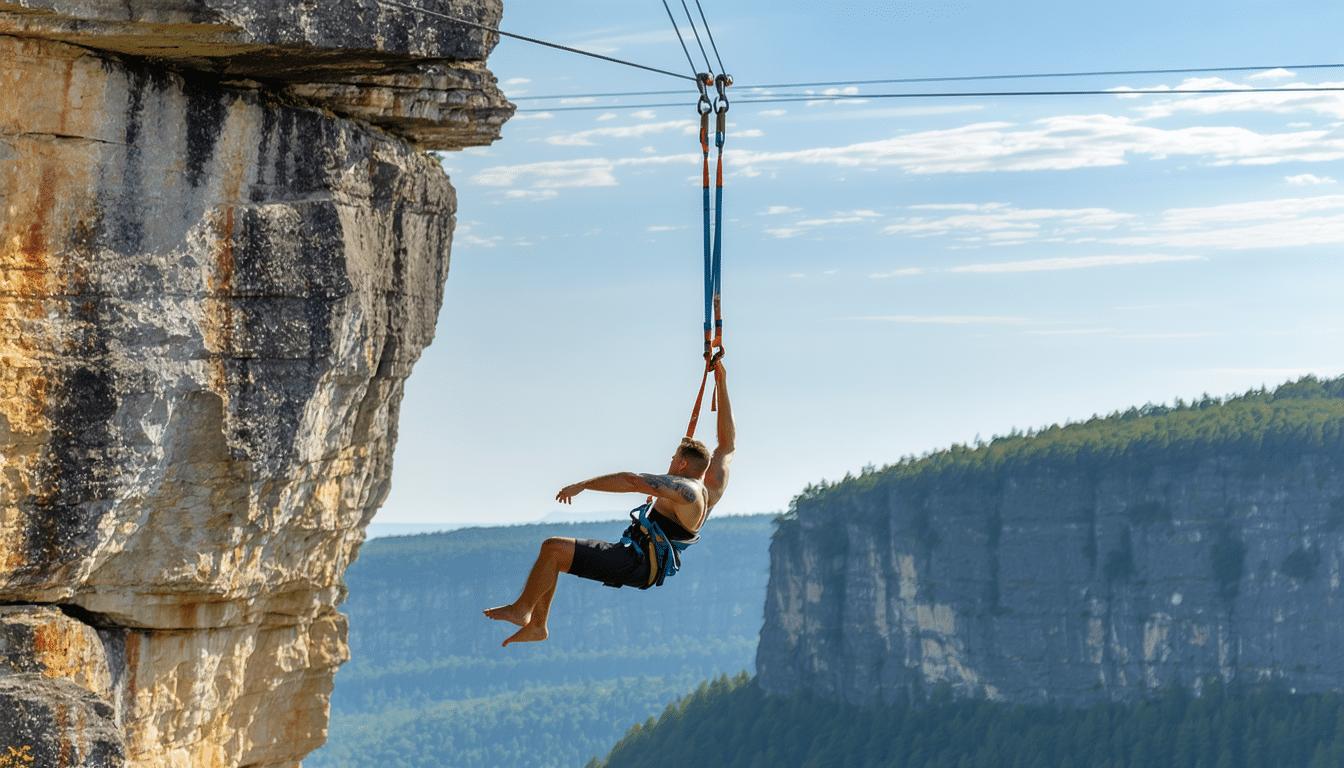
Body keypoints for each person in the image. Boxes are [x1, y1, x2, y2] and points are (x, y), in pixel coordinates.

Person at [483, 359, 735, 647]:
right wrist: (721, 381)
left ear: (679, 464)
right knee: (554, 553)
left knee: (553, 548)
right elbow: (727, 445)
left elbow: (633, 481)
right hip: (638, 558)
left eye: (671, 459)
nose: (669, 462)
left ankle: (522, 612)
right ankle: (536, 625)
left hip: (638, 562)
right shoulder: (710, 488)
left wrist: (583, 485)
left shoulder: (685, 491)